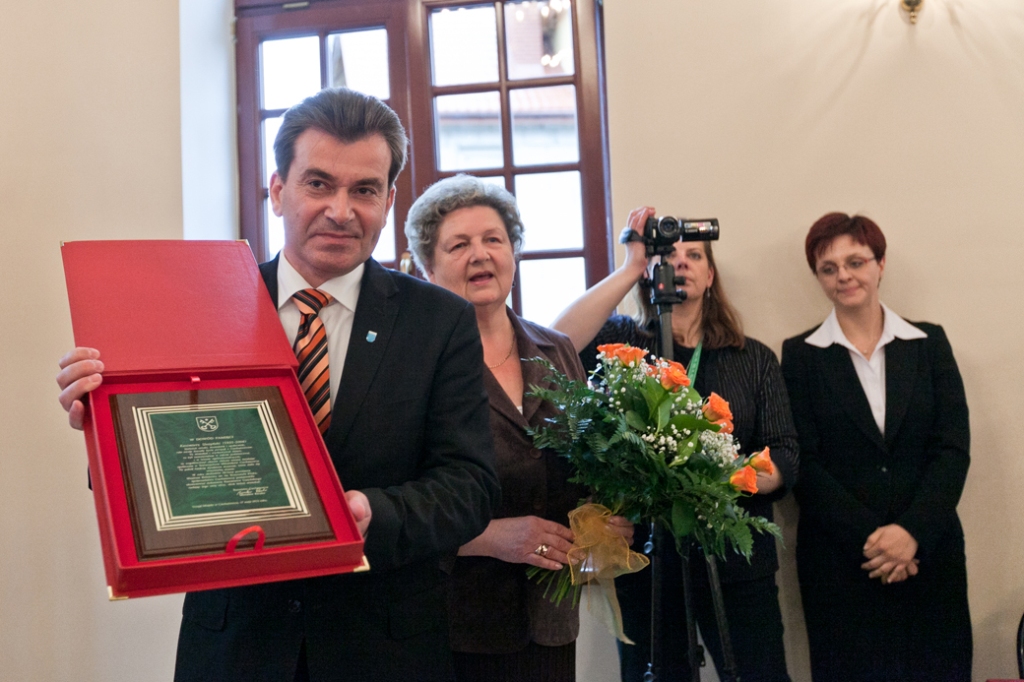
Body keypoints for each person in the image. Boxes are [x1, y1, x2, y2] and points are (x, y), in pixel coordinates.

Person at [56, 88, 501, 682]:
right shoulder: (203, 304)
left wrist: (371, 513)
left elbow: (470, 486)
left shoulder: (439, 321)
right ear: (277, 190)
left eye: (364, 190)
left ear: (389, 201)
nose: (341, 211)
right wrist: (108, 427)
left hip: (383, 649)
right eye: (318, 184)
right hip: (234, 647)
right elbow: (162, 472)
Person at [552, 206, 797, 682]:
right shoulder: (623, 343)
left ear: (710, 275)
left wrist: (728, 477)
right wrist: (631, 266)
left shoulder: (752, 357)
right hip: (647, 557)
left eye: (694, 255)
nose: (680, 261)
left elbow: (785, 453)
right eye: (668, 255)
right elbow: (557, 340)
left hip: (735, 556)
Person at [403, 174, 633, 682]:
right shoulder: (413, 364)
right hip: (453, 624)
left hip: (551, 622)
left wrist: (605, 521)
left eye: (493, 239)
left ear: (514, 252)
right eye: (458, 245)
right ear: (427, 268)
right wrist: (486, 537)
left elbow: (588, 466)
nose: (480, 254)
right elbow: (398, 504)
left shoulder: (557, 349)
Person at [781, 213, 971, 681]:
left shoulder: (929, 343)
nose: (844, 276)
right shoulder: (800, 355)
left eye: (856, 262)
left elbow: (952, 449)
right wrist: (874, 541)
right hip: (841, 563)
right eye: (829, 268)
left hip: (929, 555)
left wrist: (910, 533)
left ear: (880, 264)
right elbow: (805, 463)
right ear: (818, 277)